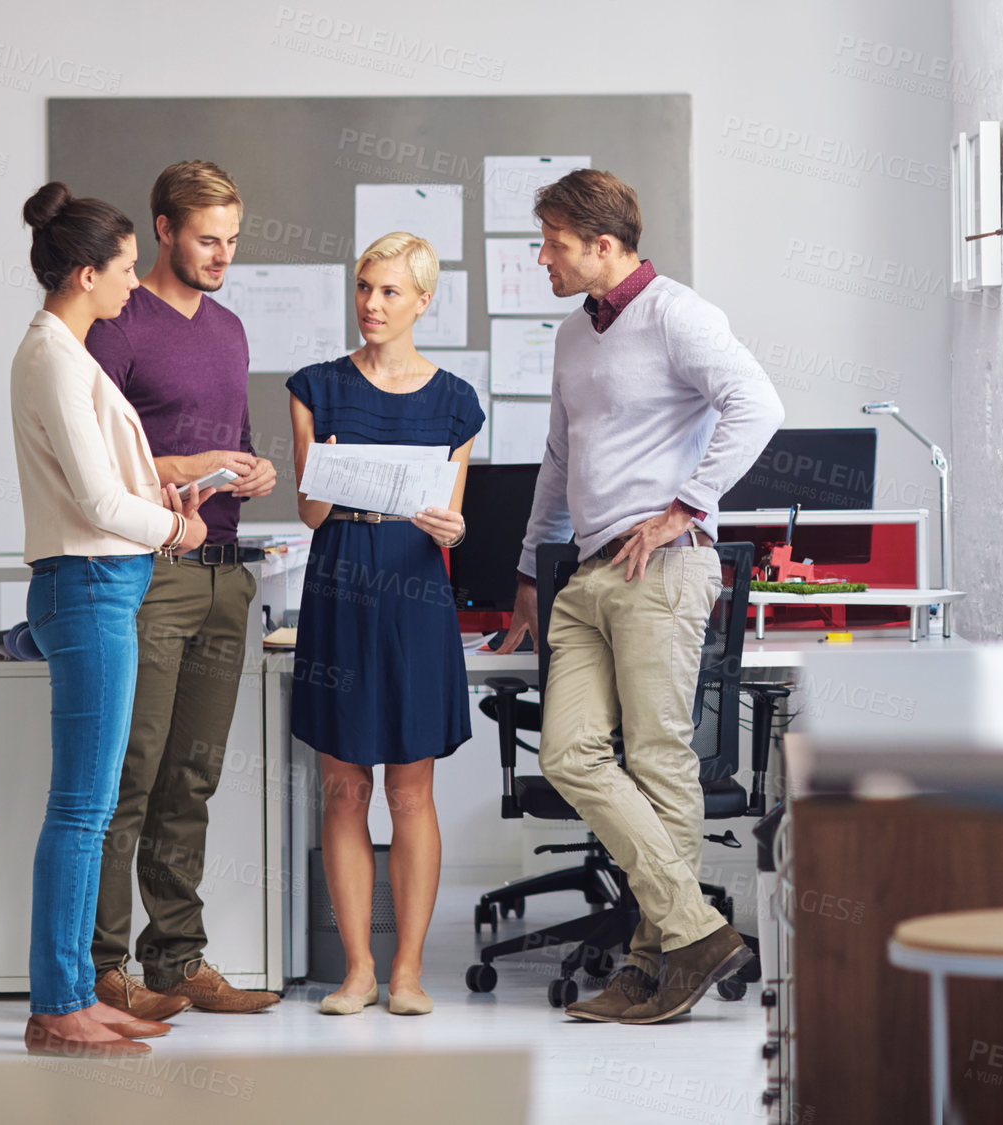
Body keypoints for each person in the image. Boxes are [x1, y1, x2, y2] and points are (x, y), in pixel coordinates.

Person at [497, 169, 783, 1024]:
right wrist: (523, 571)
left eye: (552, 242)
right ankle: (695, 930)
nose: (540, 256)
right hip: (587, 574)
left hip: (662, 567)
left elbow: (758, 404)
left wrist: (685, 507)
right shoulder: (570, 335)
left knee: (659, 762)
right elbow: (556, 459)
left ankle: (652, 970)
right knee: (569, 753)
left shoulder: (678, 315)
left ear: (603, 245)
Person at [10, 181, 214, 1056]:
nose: (138, 284)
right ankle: (58, 1005)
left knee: (86, 808)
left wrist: (156, 495)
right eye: (128, 268)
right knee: (83, 810)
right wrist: (177, 526)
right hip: (90, 587)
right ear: (86, 271)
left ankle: (72, 995)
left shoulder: (69, 350)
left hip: (104, 583)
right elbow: (93, 498)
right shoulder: (54, 355)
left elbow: (101, 482)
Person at [85, 160, 282, 1019]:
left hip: (225, 576)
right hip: (149, 574)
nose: (222, 255)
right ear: (162, 228)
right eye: (208, 238)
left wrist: (253, 467)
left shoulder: (232, 329)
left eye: (233, 240)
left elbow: (228, 444)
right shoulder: (117, 322)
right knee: (130, 773)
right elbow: (98, 459)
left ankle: (175, 963)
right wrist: (197, 465)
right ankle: (102, 970)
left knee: (192, 776)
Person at [287, 232, 483, 1016]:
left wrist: (457, 533)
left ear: (423, 301)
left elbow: (455, 514)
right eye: (364, 287)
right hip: (340, 581)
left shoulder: (457, 401)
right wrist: (329, 471)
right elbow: (308, 510)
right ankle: (358, 969)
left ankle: (407, 970)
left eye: (390, 292)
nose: (371, 303)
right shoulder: (316, 387)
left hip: (413, 587)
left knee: (410, 790)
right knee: (342, 788)